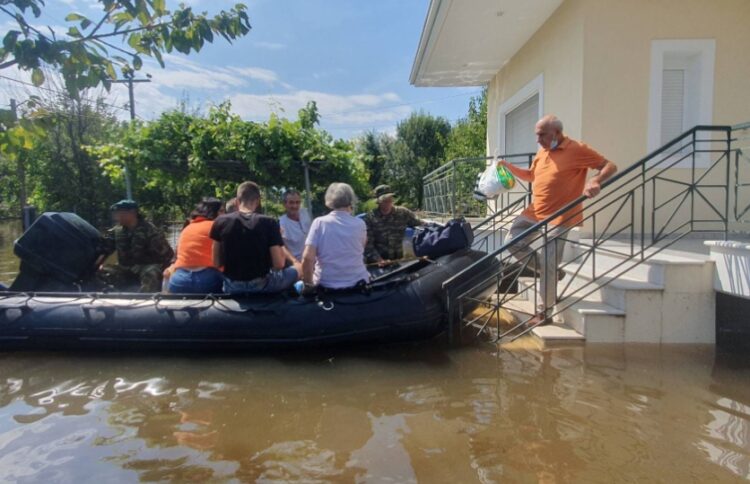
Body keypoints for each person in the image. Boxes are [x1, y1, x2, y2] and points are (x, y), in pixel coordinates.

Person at [499, 115, 618, 325]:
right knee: (512, 240)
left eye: (541, 135)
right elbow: (531, 176)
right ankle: (553, 272)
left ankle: (545, 312)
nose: (538, 140)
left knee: (549, 258)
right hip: (535, 212)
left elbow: (609, 165)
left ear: (556, 133)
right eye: (536, 135)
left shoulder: (577, 149)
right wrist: (508, 167)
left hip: (560, 216)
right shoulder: (542, 152)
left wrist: (595, 180)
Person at [210, 181, 300, 294]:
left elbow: (217, 262)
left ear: (237, 201)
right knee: (298, 268)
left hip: (232, 286)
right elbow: (279, 264)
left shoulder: (220, 222)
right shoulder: (269, 222)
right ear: (257, 201)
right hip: (263, 285)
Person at [302, 183, 370, 291]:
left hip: (327, 285)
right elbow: (361, 247)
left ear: (329, 200)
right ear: (350, 200)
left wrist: (308, 286)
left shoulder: (320, 223)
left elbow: (307, 258)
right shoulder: (360, 224)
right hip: (358, 282)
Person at [99, 199, 175, 292]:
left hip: (145, 267)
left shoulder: (150, 230)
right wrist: (99, 263)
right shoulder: (117, 231)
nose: (118, 217)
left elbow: (167, 255)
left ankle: (146, 299)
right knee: (103, 271)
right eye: (117, 214)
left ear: (133, 212)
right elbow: (105, 248)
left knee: (151, 271)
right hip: (126, 267)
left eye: (121, 213)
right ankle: (114, 297)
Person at [163, 197, 225, 294]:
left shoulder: (187, 228)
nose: (224, 215)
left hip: (179, 281)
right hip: (207, 282)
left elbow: (177, 257)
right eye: (221, 211)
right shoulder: (218, 227)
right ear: (214, 212)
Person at [364, 184, 424, 264]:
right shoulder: (370, 218)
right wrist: (379, 259)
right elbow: (368, 245)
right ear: (378, 201)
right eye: (384, 199)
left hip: (398, 261)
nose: (388, 202)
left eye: (390, 198)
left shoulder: (403, 213)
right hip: (378, 264)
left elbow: (419, 224)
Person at [279, 189, 311, 262]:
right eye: (291, 203)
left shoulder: (304, 213)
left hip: (311, 258)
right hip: (296, 262)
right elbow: (282, 247)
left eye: (297, 202)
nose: (295, 206)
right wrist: (295, 262)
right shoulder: (281, 223)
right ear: (284, 204)